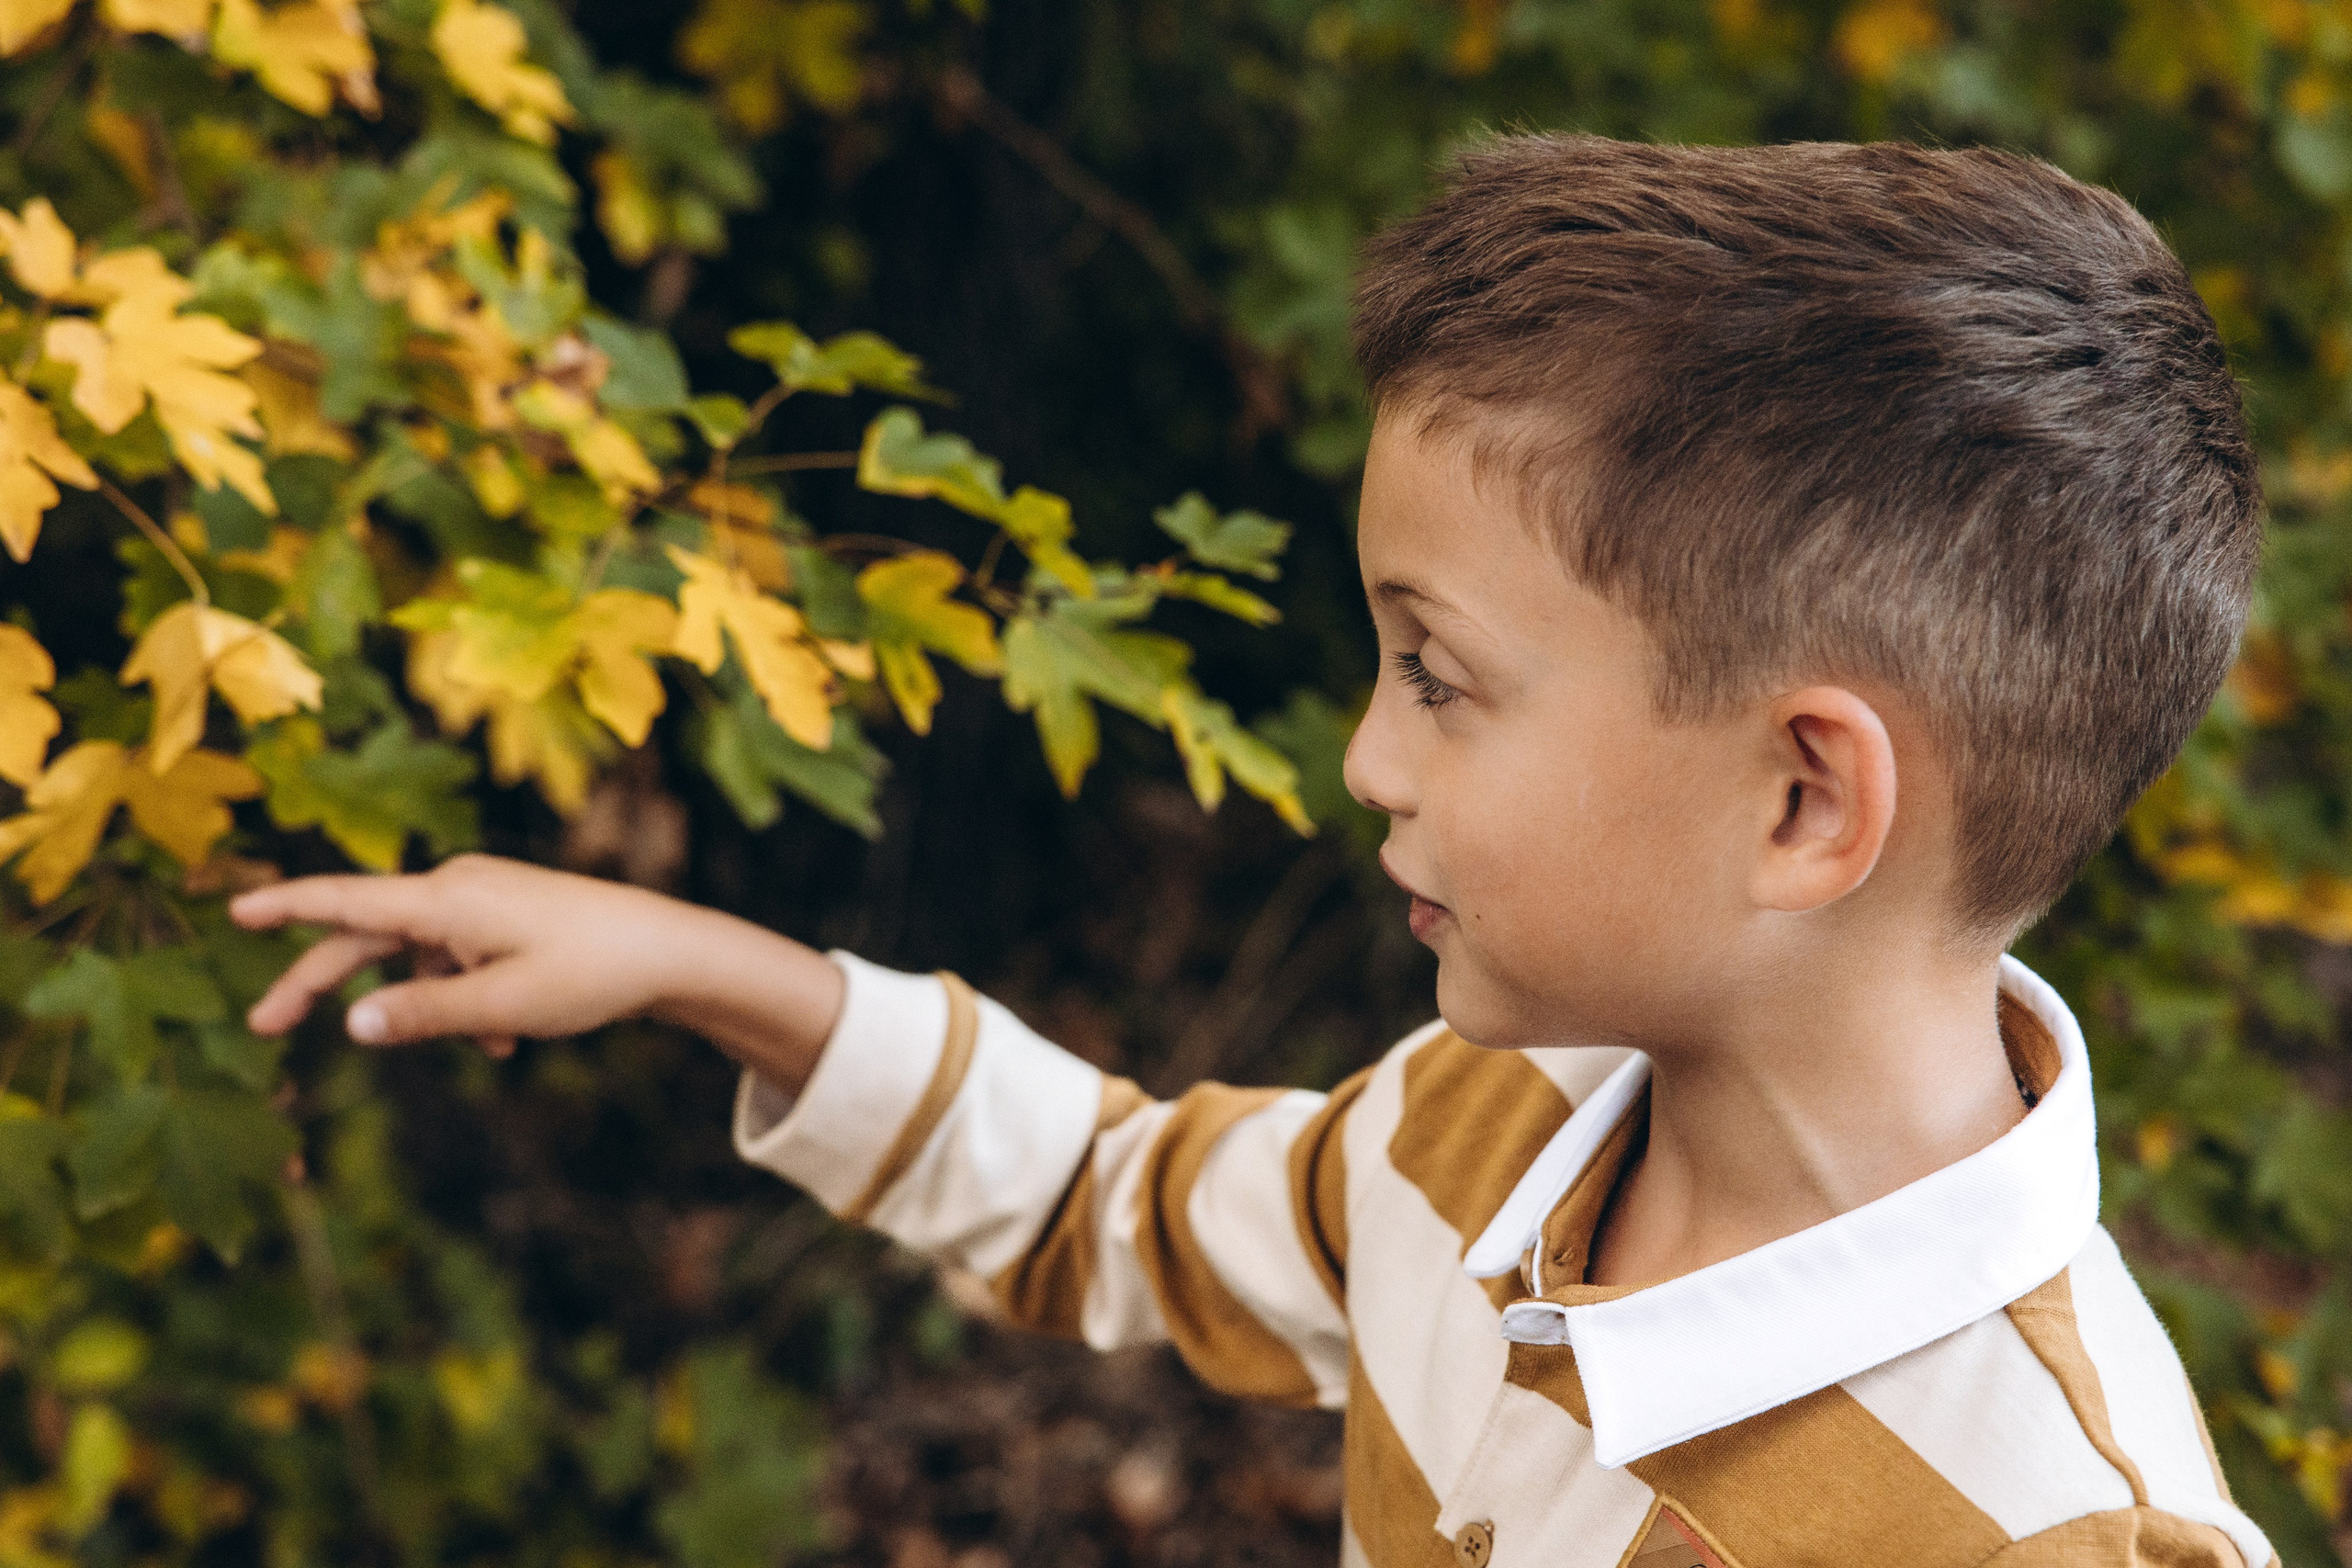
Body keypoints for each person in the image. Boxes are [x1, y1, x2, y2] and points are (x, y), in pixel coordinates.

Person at [227, 136, 2278, 1568]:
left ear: (1800, 800)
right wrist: (690, 959)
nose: (1365, 757)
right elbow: (1112, 1194)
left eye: (1436, 675)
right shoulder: (1468, 1135)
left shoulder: (2057, 1530)